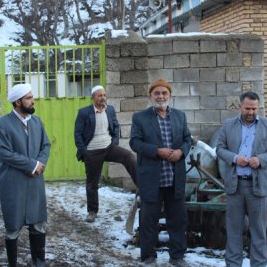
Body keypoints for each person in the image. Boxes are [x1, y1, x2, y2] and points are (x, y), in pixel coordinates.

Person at [129, 78, 192, 267]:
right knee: (149, 221)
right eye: (157, 93)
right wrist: (157, 151)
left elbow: (187, 139)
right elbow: (135, 142)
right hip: (152, 179)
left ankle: (177, 256)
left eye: (164, 93)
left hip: (175, 178)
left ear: (170, 95)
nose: (161, 96)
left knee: (178, 220)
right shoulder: (140, 118)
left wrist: (181, 151)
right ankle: (148, 257)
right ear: (150, 96)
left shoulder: (180, 116)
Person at [216, 91, 267, 267]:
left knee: (259, 231)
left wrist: (260, 160)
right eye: (247, 108)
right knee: (234, 231)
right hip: (234, 186)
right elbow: (220, 149)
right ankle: (233, 264)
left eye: (254, 108)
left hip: (257, 186)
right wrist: (234, 158)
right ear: (240, 107)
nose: (251, 112)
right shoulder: (228, 125)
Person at [0, 84, 51, 267]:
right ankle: (12, 263)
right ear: (17, 102)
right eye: (28, 98)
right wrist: (31, 164)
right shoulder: (1, 124)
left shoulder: (36, 122)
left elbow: (46, 145)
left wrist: (40, 164)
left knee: (38, 224)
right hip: (13, 183)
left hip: (35, 182)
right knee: (13, 227)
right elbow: (5, 153)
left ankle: (39, 261)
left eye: (31, 97)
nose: (32, 101)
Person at [74, 85, 138, 223]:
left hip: (109, 147)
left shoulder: (110, 110)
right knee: (92, 183)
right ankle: (92, 211)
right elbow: (77, 134)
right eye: (99, 95)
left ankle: (143, 187)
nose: (103, 98)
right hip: (92, 151)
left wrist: (114, 142)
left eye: (104, 95)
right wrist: (85, 152)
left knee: (128, 156)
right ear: (93, 98)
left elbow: (115, 126)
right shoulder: (84, 112)